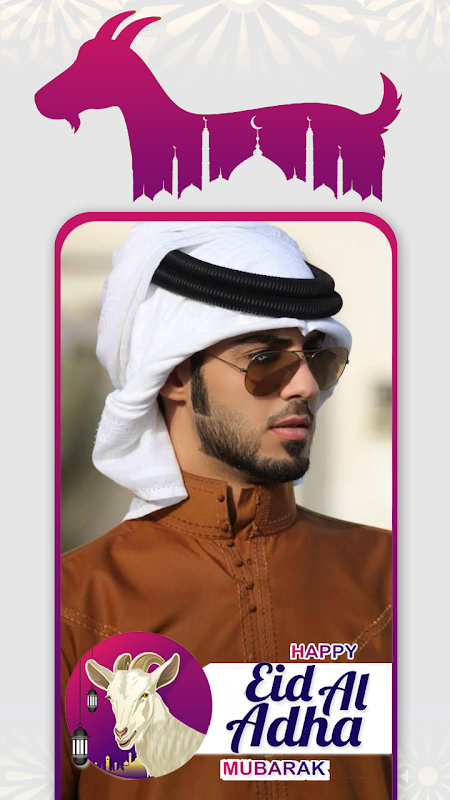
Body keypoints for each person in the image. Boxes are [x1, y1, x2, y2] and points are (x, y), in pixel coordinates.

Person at [61, 221, 392, 799]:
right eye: (266, 359)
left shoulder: (391, 579)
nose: (305, 386)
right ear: (174, 375)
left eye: (317, 359)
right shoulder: (72, 602)